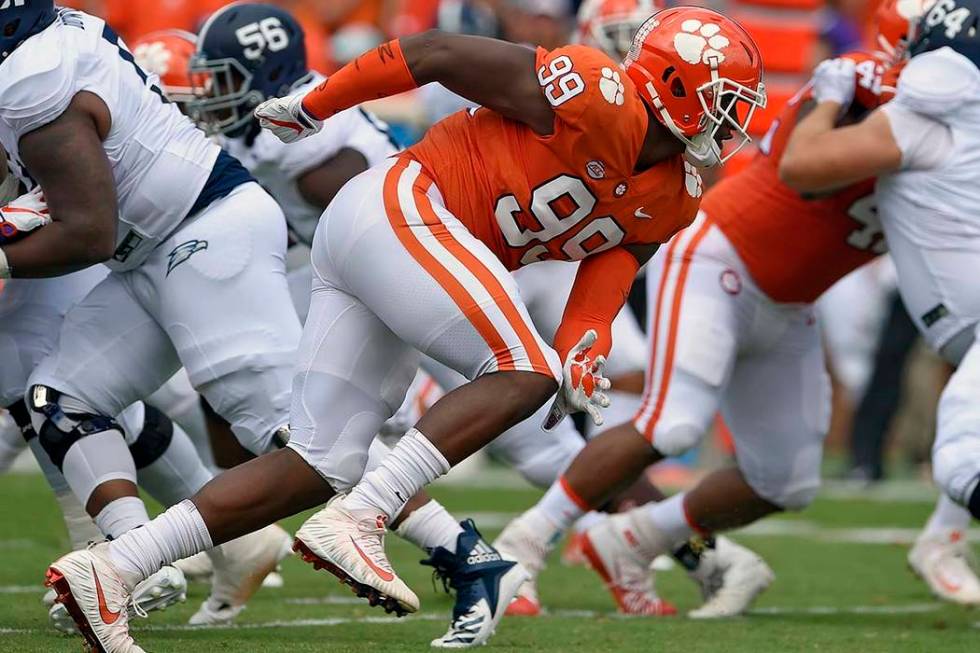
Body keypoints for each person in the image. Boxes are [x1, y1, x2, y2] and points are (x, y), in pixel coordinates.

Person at [46, 8, 765, 651]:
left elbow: (606, 276)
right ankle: (361, 518)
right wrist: (318, 103)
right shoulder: (593, 88)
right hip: (408, 206)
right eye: (725, 105)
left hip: (404, 241)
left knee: (319, 460)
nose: (733, 124)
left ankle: (112, 566)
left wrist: (587, 345)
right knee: (523, 366)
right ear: (673, 86)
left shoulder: (674, 194)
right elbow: (438, 53)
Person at [492, 0, 953, 618]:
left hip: (790, 302)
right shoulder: (857, 89)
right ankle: (520, 546)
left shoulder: (952, 119)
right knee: (673, 422)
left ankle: (632, 538)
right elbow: (806, 171)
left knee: (785, 481)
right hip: (721, 260)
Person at [0, 0, 301, 637]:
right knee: (58, 397)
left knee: (294, 431)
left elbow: (86, 231)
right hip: (144, 250)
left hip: (195, 232)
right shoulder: (51, 37)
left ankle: (461, 551)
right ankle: (128, 558)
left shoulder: (31, 76)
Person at [780, 0, 980, 602]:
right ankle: (943, 532)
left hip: (960, 317)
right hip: (961, 316)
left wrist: (834, 96)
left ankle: (943, 536)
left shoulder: (931, 109)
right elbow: (802, 167)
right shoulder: (925, 117)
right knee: (961, 460)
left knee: (963, 456)